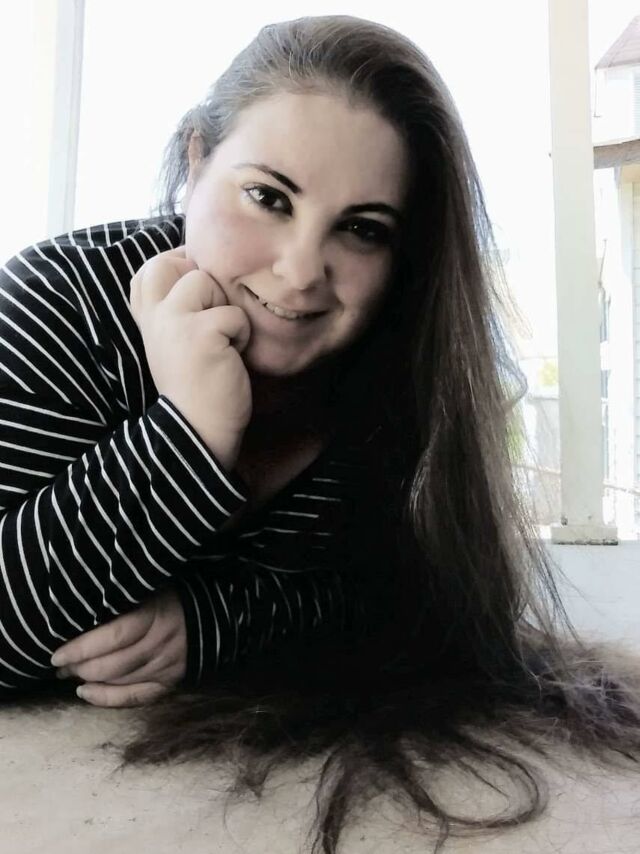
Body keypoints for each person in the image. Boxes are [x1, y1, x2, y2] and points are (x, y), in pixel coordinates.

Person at [3, 13, 640, 853]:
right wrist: (190, 430)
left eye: (362, 229)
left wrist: (210, 625)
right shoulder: (59, 303)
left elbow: (403, 596)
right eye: (268, 198)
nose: (302, 271)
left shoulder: (395, 372)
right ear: (196, 163)